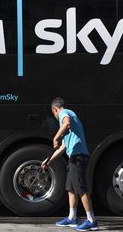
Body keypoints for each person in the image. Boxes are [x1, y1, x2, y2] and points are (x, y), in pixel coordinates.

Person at [41, 97, 99, 231]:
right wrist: (47, 161)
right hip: (74, 156)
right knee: (71, 188)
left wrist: (55, 136)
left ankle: (92, 220)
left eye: (54, 114)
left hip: (78, 157)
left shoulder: (64, 113)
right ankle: (72, 218)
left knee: (80, 188)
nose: (56, 117)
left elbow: (66, 123)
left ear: (55, 109)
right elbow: (63, 147)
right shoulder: (70, 125)